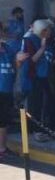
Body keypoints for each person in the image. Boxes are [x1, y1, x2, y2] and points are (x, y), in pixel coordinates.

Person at [18, 19, 55, 141]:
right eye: (47, 30)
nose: (49, 32)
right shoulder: (30, 40)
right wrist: (42, 48)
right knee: (36, 104)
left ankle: (51, 129)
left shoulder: (49, 42)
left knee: (50, 102)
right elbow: (32, 59)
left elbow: (48, 59)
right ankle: (36, 130)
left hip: (47, 76)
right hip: (35, 77)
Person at [0, 22, 16, 159]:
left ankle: (2, 148)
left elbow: (15, 66)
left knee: (4, 121)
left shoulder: (8, 49)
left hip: (7, 90)